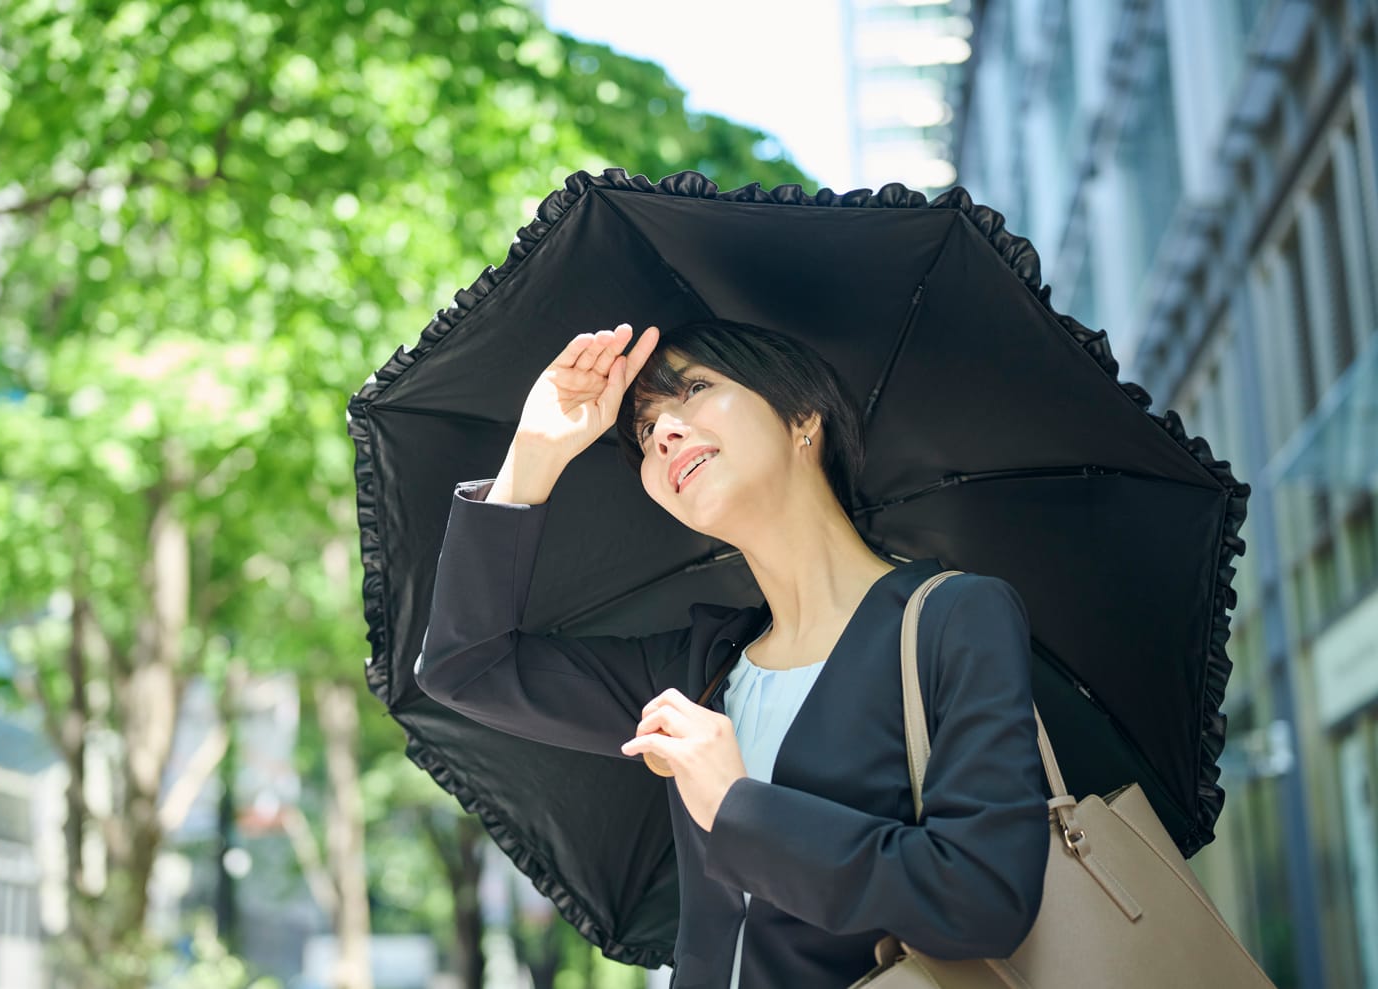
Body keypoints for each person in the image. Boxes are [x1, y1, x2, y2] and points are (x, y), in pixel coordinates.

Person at [416, 319, 1049, 987]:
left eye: (694, 388)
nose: (663, 432)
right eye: (644, 430)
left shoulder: (954, 619)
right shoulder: (698, 671)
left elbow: (981, 899)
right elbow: (468, 665)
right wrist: (535, 454)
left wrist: (735, 804)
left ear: (804, 416)